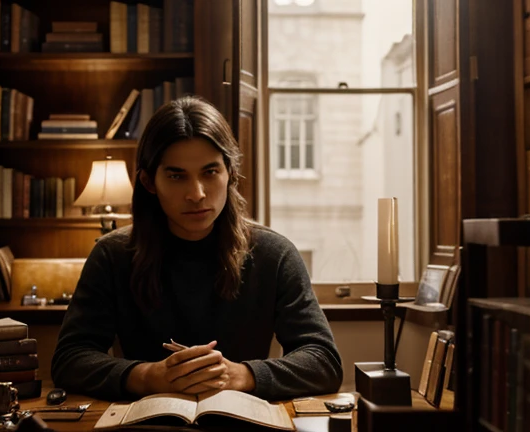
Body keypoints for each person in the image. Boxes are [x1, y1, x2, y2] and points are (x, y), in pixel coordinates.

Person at [52, 96, 343, 401]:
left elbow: (323, 361)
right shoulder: (112, 255)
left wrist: (241, 375)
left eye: (210, 172)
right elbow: (70, 359)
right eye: (177, 176)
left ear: (230, 173)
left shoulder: (275, 254)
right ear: (150, 182)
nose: (197, 194)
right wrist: (148, 376)